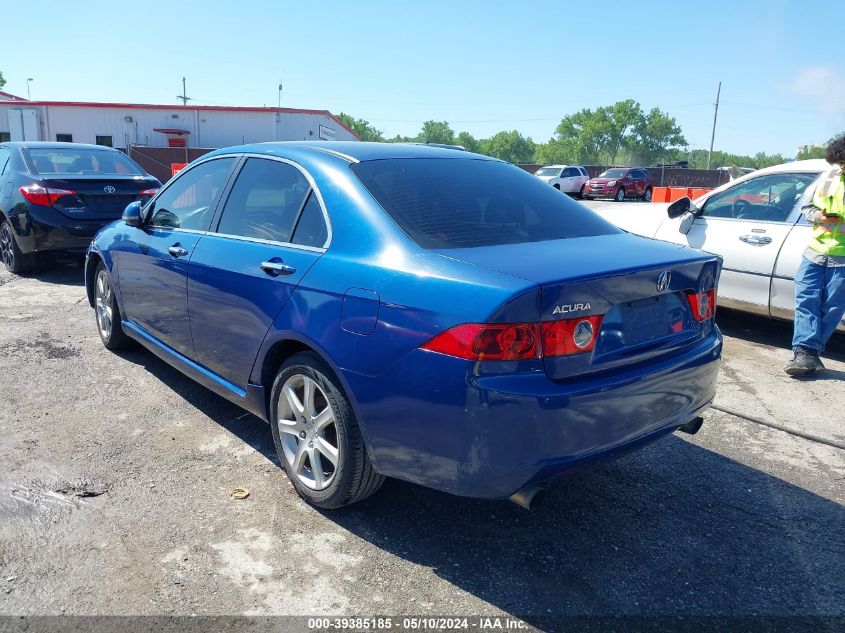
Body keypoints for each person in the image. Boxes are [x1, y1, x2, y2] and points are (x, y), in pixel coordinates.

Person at [784, 134, 845, 376]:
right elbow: (806, 207)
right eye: (840, 163)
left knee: (832, 308)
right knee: (805, 300)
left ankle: (810, 353)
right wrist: (819, 216)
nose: (842, 168)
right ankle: (805, 352)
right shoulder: (828, 176)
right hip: (815, 252)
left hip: (842, 256)